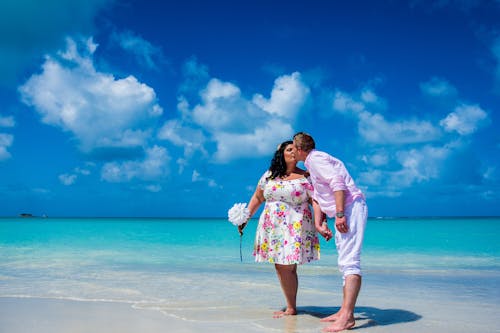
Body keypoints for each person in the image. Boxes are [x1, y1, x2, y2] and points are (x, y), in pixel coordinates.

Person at [238, 140, 332, 318]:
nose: (293, 151)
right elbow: (258, 198)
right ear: (281, 153)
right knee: (281, 267)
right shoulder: (269, 175)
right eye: (289, 149)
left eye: (296, 149)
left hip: (296, 225)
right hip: (272, 226)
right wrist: (244, 219)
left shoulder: (306, 176)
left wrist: (321, 223)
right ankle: (291, 306)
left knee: (287, 266)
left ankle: (291, 308)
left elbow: (316, 201)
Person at [293, 132, 368, 332]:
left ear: (300, 149)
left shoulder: (315, 159)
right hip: (344, 210)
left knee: (350, 262)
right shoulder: (313, 163)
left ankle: (348, 317)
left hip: (350, 208)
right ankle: (344, 311)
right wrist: (321, 222)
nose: (292, 152)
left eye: (293, 148)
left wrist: (341, 213)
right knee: (344, 262)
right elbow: (319, 196)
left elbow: (337, 182)